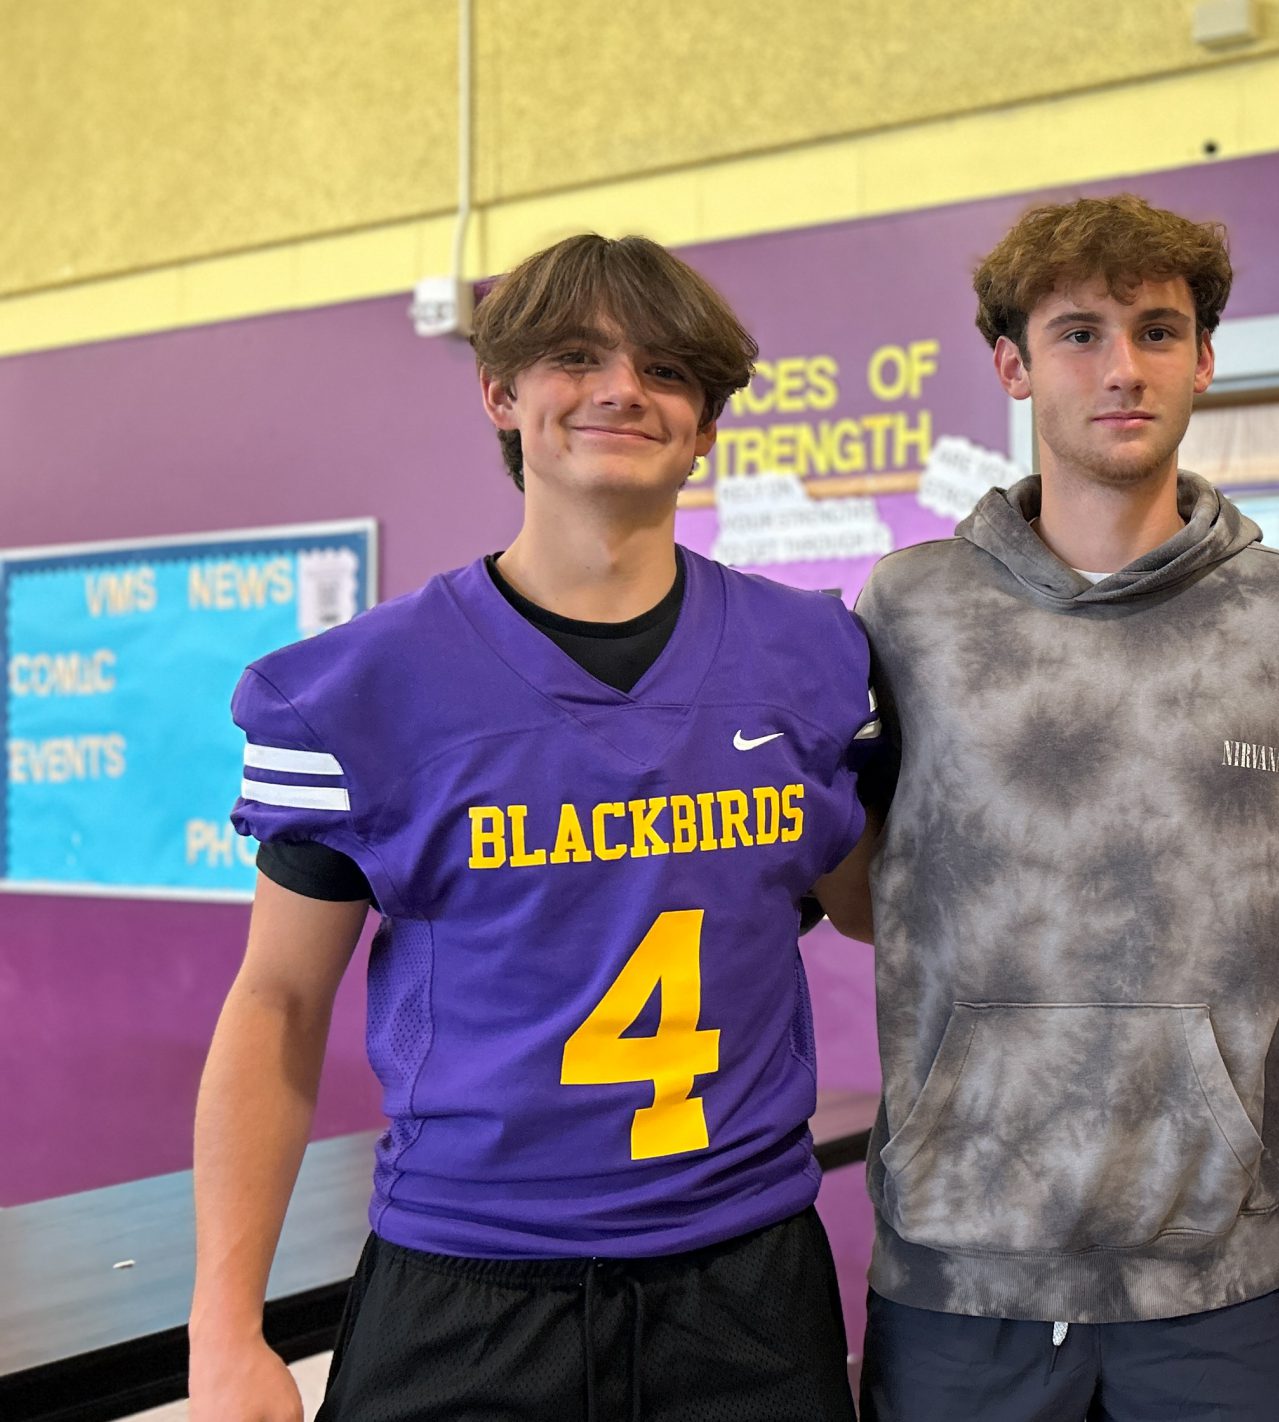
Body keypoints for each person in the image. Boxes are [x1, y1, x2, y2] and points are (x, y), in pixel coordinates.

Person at [188, 233, 876, 1421]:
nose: (621, 389)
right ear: (501, 395)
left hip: (746, 1276)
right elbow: (278, 1004)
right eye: (574, 357)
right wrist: (224, 1326)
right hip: (469, 1283)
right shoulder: (359, 689)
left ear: (706, 421)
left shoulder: (816, 658)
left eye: (666, 369)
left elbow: (863, 903)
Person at [832, 193, 1279, 1421]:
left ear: (1204, 358)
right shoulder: (908, 614)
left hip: (1217, 1281)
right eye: (1079, 333)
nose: (1122, 368)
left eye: (1158, 331)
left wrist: (1197, 1034)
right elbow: (864, 894)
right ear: (1013, 365)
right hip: (960, 1277)